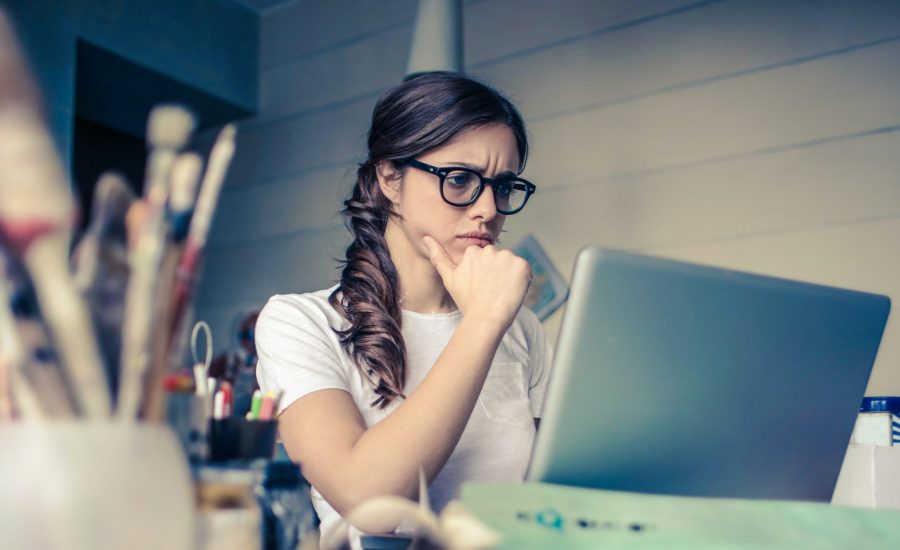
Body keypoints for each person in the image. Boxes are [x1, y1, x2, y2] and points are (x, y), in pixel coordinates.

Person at [254, 72, 552, 542]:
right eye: (459, 180)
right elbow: (369, 504)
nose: (489, 209)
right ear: (390, 178)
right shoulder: (300, 323)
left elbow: (549, 502)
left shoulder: (524, 331)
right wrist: (483, 322)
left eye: (503, 186)